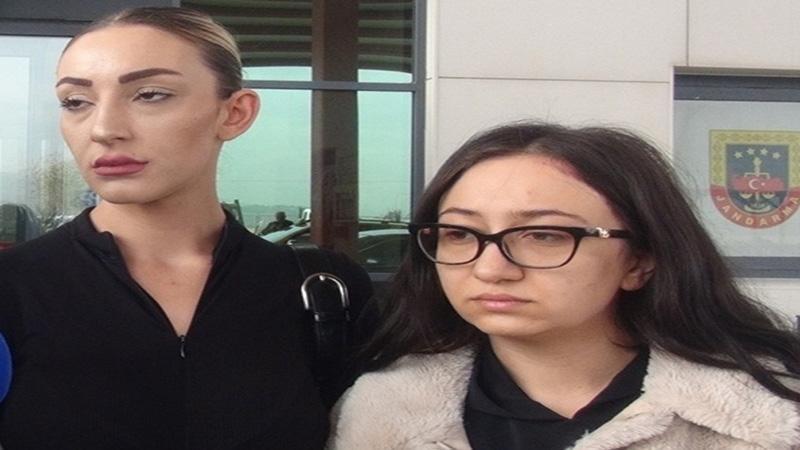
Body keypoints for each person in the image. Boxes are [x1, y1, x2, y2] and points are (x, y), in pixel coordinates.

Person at [0, 7, 372, 450]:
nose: (103, 129)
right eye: (75, 102)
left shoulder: (323, 291)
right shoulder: (13, 287)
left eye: (150, 94)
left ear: (234, 113)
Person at [327, 122, 800, 449]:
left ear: (640, 259)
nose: (491, 268)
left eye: (543, 235)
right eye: (459, 234)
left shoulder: (765, 417)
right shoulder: (378, 413)